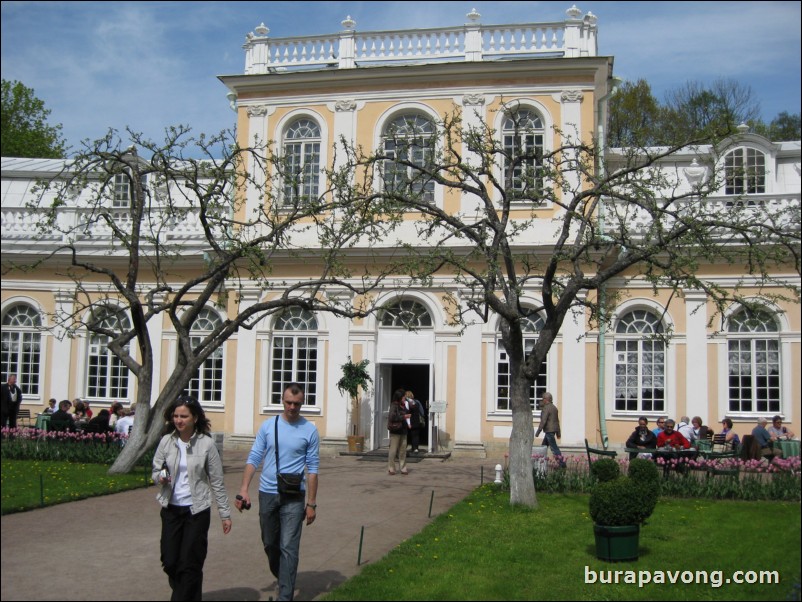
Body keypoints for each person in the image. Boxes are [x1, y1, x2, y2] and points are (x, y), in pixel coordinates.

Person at [235, 383, 319, 602]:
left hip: (294, 496)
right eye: (289, 402)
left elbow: (313, 469)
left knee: (289, 547)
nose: (292, 407)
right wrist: (244, 489)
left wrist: (311, 503)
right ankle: (284, 576)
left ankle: (285, 596)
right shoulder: (268, 426)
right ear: (282, 400)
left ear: (303, 403)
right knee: (270, 544)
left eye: (297, 403)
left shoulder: (309, 430)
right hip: (268, 492)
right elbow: (254, 458)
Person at [153, 395, 231, 601]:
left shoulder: (206, 444)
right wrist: (160, 478)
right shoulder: (166, 442)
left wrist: (225, 514)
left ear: (195, 418)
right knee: (170, 561)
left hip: (196, 510)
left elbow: (217, 481)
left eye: (184, 416)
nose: (179, 420)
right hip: (171, 508)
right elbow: (155, 471)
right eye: (176, 416)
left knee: (190, 562)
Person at [535, 392, 564, 466]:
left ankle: (562, 464)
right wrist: (558, 433)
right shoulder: (554, 408)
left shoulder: (546, 408)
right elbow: (557, 421)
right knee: (543, 447)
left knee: (554, 448)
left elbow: (543, 420)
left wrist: (538, 431)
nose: (542, 400)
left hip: (549, 431)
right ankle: (540, 463)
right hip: (552, 431)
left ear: (546, 399)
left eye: (543, 398)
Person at [387, 388, 411, 475]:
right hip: (395, 430)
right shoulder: (394, 405)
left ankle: (403, 467)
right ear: (399, 397)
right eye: (403, 396)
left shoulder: (404, 405)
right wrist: (403, 417)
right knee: (393, 450)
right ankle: (391, 468)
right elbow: (392, 417)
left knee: (403, 450)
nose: (405, 397)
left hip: (403, 430)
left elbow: (407, 414)